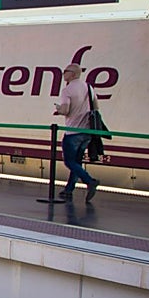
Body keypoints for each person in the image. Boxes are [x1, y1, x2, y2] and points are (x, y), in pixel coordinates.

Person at [53, 62, 100, 202]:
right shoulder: (89, 87)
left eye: (65, 71)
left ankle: (89, 181)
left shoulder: (67, 90)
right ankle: (69, 189)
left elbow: (66, 110)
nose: (63, 74)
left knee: (69, 161)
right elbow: (96, 107)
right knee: (77, 162)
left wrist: (58, 109)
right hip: (87, 131)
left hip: (72, 131)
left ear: (73, 74)